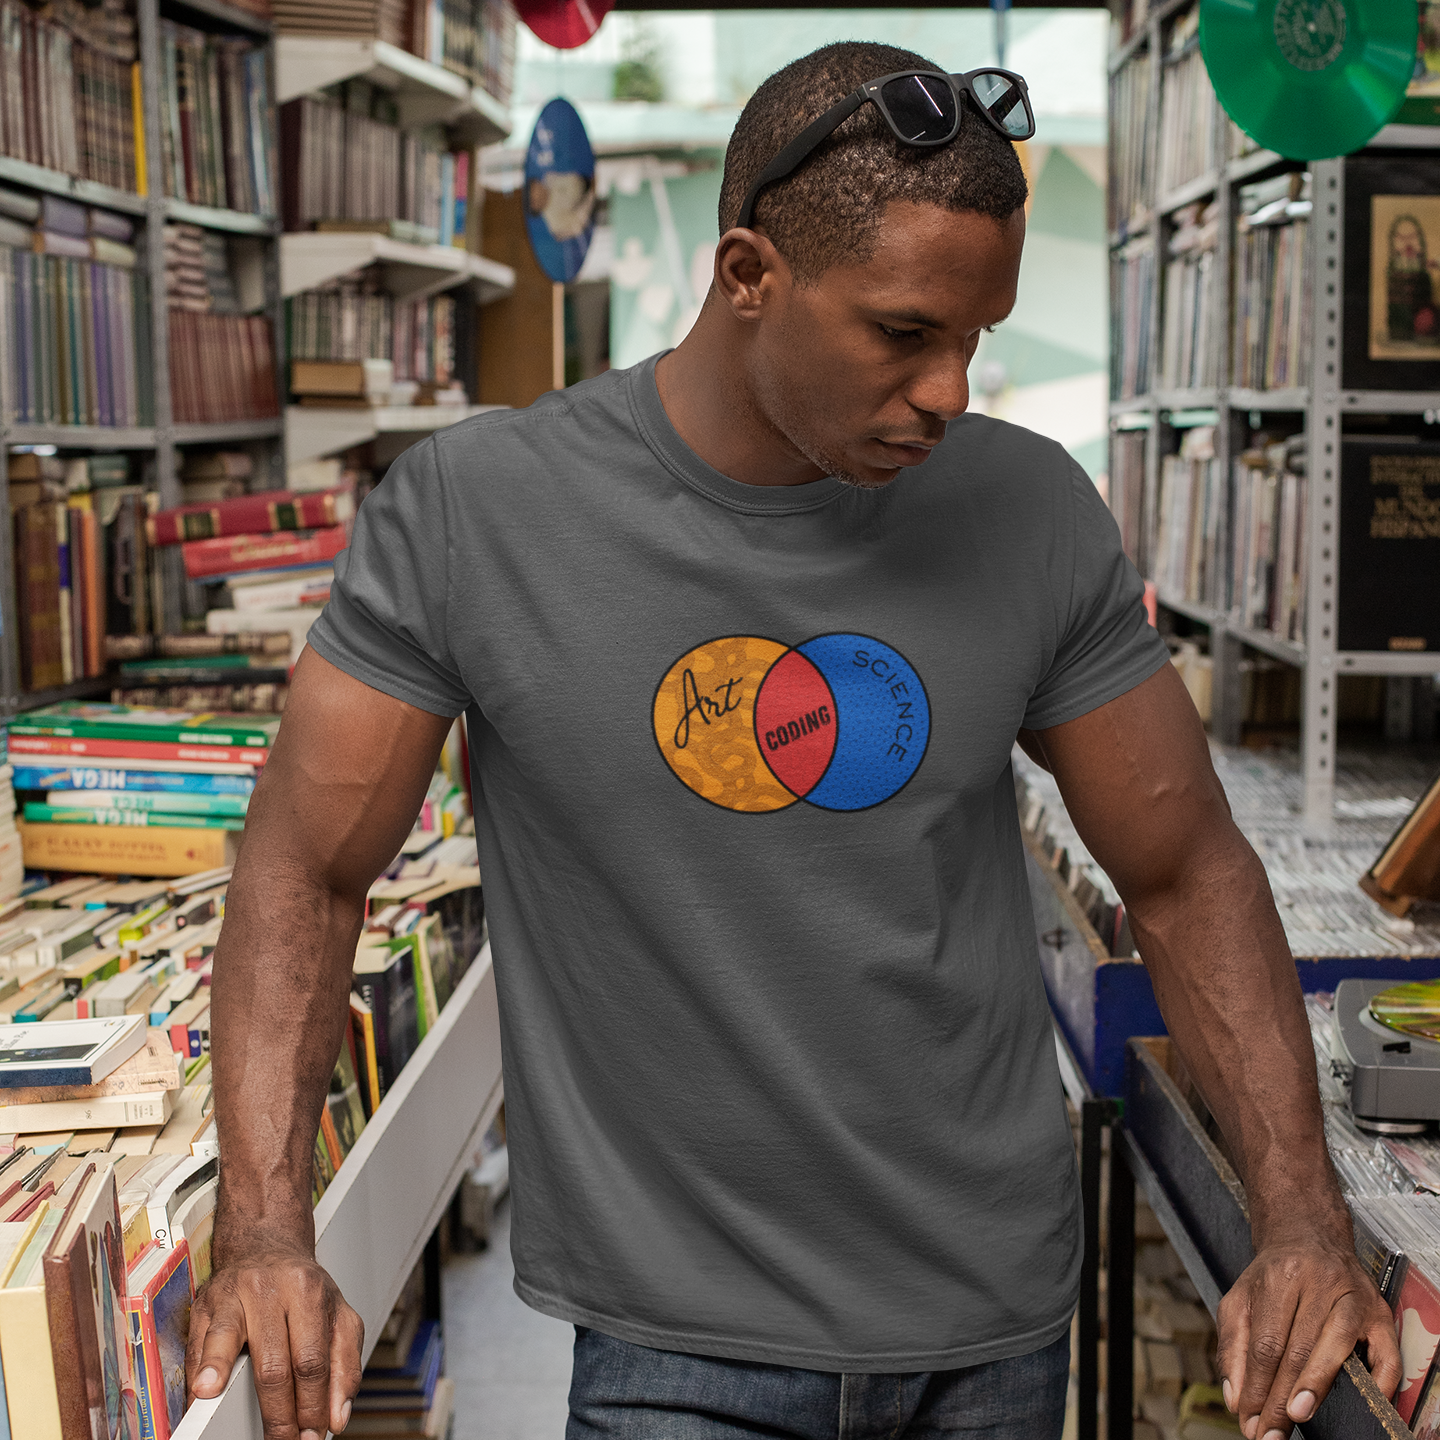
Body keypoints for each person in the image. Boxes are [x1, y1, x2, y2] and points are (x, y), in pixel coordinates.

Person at [185, 39, 1401, 1440]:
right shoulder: (475, 516)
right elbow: (305, 868)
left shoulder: (1029, 510)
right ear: (747, 275)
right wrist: (268, 1232)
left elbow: (1185, 872)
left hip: (991, 1330)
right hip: (674, 1352)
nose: (951, 390)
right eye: (903, 333)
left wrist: (1302, 1220)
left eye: (977, 338)